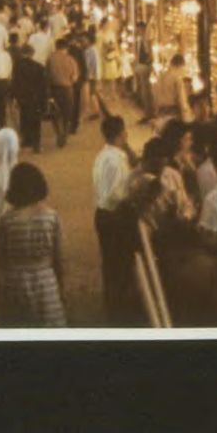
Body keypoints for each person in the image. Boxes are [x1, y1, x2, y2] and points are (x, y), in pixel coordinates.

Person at [0, 163, 65, 327]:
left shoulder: (7, 220)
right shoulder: (51, 217)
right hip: (45, 281)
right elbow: (59, 258)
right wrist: (60, 287)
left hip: (14, 283)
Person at [92, 115, 132, 320]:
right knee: (118, 263)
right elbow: (117, 194)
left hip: (101, 213)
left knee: (109, 262)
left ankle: (112, 304)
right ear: (120, 134)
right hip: (113, 215)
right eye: (124, 130)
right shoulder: (117, 160)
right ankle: (118, 310)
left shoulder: (102, 155)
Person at [13, 43, 47, 153]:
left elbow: (16, 84)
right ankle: (36, 144)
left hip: (23, 98)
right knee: (36, 121)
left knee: (24, 118)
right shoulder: (39, 67)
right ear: (32, 54)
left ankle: (27, 140)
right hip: (36, 98)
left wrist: (15, 97)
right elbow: (43, 85)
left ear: (22, 53)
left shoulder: (17, 66)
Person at [47, 38, 79, 147]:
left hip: (54, 89)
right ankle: (64, 132)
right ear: (66, 47)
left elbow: (47, 75)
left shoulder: (50, 59)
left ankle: (58, 132)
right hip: (67, 89)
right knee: (67, 113)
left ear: (56, 47)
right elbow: (74, 78)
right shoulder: (70, 59)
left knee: (55, 113)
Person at [153, 53, 192, 126]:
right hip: (173, 114)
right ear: (180, 66)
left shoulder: (160, 77)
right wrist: (187, 119)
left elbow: (155, 96)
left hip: (160, 114)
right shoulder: (177, 79)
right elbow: (182, 100)